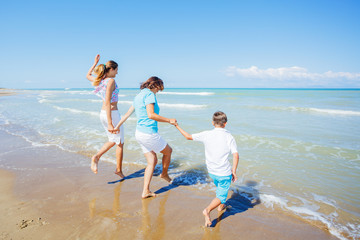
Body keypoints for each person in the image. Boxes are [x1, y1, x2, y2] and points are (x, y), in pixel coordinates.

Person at [114, 76, 177, 198]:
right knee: (168, 151)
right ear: (155, 85)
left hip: (139, 133)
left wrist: (117, 126)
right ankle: (164, 174)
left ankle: (145, 191)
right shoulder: (149, 95)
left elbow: (127, 114)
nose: (158, 92)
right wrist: (169, 120)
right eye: (159, 89)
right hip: (148, 133)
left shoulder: (138, 96)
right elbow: (151, 114)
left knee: (152, 161)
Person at [174, 111, 239, 227]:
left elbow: (188, 136)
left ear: (213, 123)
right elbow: (235, 155)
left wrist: (176, 125)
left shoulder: (207, 134)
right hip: (223, 172)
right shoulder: (229, 137)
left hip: (212, 172)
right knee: (220, 195)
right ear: (225, 124)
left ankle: (221, 206)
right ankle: (207, 210)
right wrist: (233, 171)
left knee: (220, 189)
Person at [86, 54, 125, 178]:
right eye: (116, 70)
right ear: (111, 69)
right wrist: (110, 123)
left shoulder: (100, 80)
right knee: (119, 142)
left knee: (113, 140)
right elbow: (108, 101)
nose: (117, 73)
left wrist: (94, 63)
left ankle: (116, 168)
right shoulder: (111, 81)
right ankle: (98, 158)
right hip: (112, 114)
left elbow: (87, 76)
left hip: (103, 113)